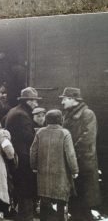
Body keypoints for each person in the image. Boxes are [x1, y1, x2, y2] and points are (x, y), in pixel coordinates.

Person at [59, 87, 101, 221]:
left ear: (73, 99)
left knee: (84, 200)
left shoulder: (88, 114)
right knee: (75, 200)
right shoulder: (68, 114)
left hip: (83, 162)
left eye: (65, 99)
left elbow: (87, 138)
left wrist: (71, 151)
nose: (63, 102)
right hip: (73, 161)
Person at [30, 109, 79, 221]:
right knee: (60, 202)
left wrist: (33, 166)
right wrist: (74, 170)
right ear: (60, 119)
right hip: (60, 174)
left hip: (43, 174)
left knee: (44, 200)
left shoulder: (40, 132)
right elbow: (70, 154)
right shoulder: (65, 133)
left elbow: (33, 151)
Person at [5, 87, 41, 221]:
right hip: (24, 159)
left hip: (16, 157)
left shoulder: (14, 111)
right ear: (28, 101)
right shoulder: (23, 115)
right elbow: (29, 138)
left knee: (20, 189)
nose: (36, 104)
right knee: (26, 189)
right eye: (35, 101)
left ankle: (22, 215)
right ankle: (25, 217)